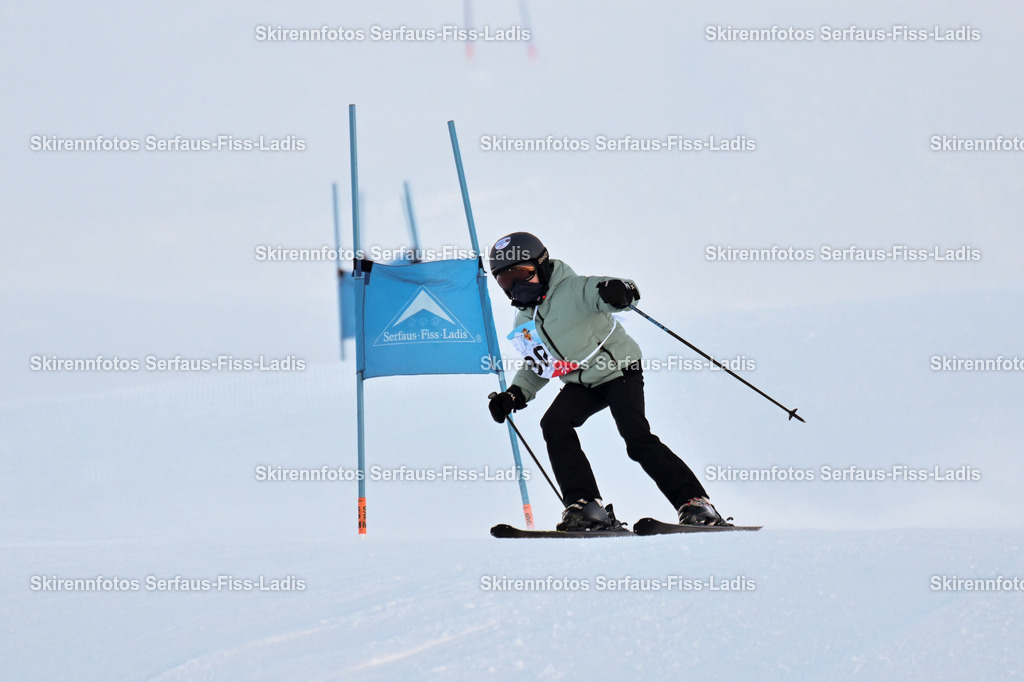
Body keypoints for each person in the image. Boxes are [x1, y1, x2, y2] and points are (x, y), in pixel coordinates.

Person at [486, 232, 730, 531]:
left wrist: (620, 292)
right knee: (554, 424)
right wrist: (515, 394)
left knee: (636, 437)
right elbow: (539, 364)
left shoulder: (575, 288)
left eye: (521, 274)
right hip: (582, 382)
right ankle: (585, 506)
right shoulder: (524, 319)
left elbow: (615, 292)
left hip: (618, 371)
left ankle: (695, 504)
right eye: (505, 280)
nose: (515, 285)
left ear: (543, 264)